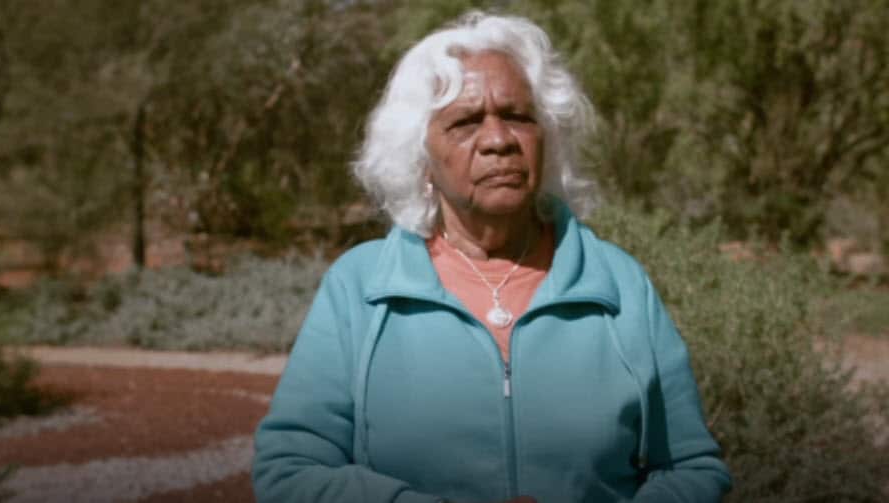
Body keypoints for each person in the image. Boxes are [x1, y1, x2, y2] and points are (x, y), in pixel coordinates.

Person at [252, 11, 731, 503]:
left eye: (518, 116)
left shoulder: (617, 284)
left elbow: (690, 469)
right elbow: (291, 471)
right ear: (421, 159)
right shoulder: (361, 288)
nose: (499, 140)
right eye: (465, 122)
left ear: (547, 138)